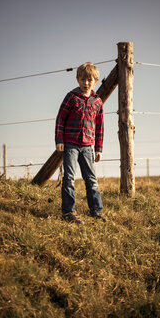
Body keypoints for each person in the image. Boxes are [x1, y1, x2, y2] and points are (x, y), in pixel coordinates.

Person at [55, 62, 106, 224]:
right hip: (70, 144)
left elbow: (100, 127)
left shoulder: (97, 101)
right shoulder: (71, 97)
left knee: (91, 179)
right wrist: (59, 140)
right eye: (83, 79)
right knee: (69, 177)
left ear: (95, 81)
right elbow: (60, 119)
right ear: (78, 79)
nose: (86, 83)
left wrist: (98, 149)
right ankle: (69, 212)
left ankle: (96, 211)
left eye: (90, 80)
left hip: (88, 147)